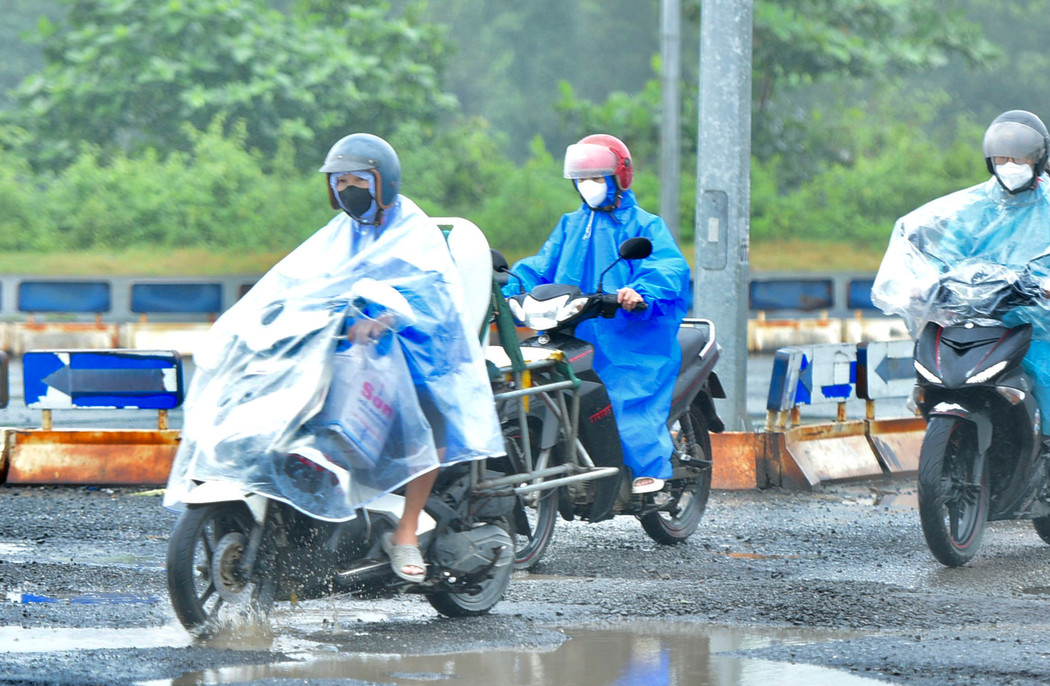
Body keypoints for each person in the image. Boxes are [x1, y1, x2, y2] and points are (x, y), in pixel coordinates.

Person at [167, 132, 504, 580]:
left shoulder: (415, 231)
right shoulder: (338, 233)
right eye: (339, 181)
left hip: (417, 349)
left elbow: (429, 296)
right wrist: (265, 315)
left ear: (382, 183)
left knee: (423, 418)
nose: (347, 190)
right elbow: (300, 281)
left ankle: (405, 532)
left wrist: (383, 319)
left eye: (356, 180)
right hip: (350, 346)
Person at [871, 110, 1050, 501]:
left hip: (1038, 318)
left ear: (1040, 160)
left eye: (1019, 158)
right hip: (975, 313)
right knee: (935, 367)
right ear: (990, 161)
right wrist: (923, 282)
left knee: (1048, 373)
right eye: (1002, 159)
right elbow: (946, 249)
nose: (1010, 166)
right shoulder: (972, 206)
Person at [501, 134, 691, 495]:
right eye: (582, 180)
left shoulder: (644, 225)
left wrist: (641, 293)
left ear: (618, 178)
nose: (587, 186)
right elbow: (541, 266)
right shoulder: (571, 225)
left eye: (596, 179)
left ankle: (650, 470)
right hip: (575, 332)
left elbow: (667, 267)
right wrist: (505, 287)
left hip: (629, 339)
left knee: (624, 402)